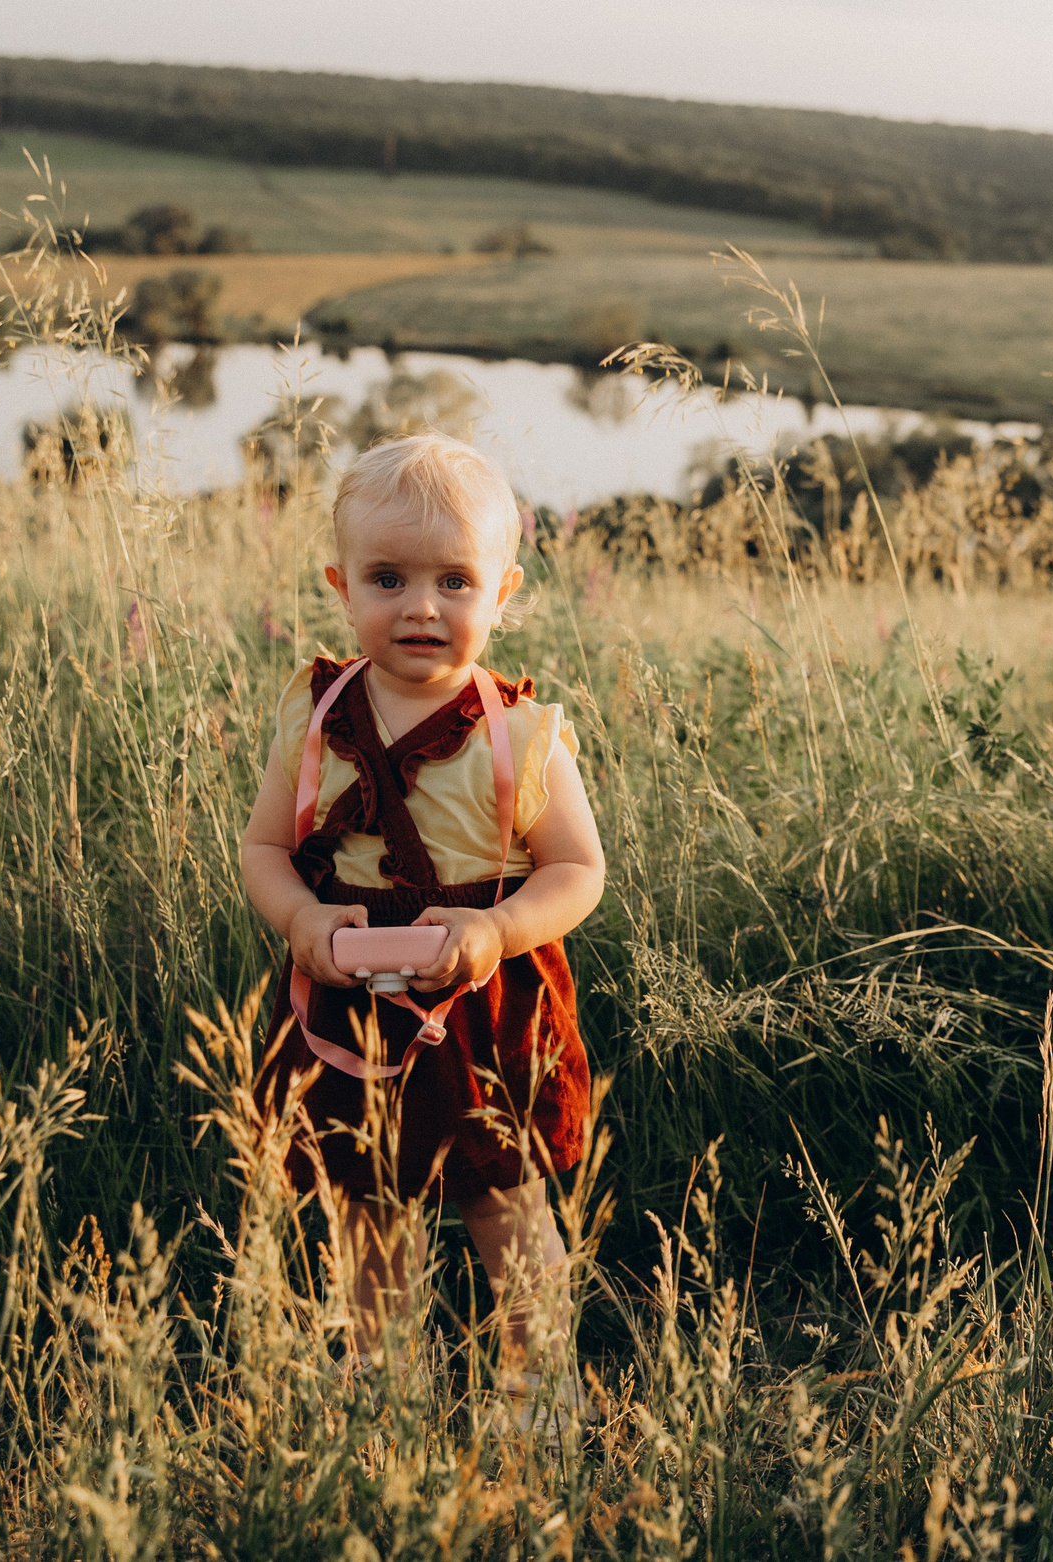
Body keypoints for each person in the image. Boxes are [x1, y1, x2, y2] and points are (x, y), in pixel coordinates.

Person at [238, 432, 603, 1407]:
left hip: (482, 993)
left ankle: (540, 1393)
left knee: (502, 1197)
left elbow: (577, 870)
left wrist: (500, 929)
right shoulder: (316, 717)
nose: (421, 607)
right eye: (389, 577)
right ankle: (382, 1386)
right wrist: (299, 918)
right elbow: (264, 849)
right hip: (346, 991)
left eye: (454, 580)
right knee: (366, 1203)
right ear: (342, 584)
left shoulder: (520, 733)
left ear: (503, 590)